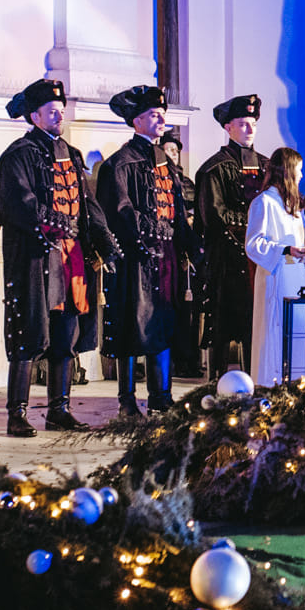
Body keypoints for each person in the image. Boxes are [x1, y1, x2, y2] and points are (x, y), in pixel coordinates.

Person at [0, 79, 119, 436]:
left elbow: (88, 206)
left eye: (60, 110)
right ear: (34, 116)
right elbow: (20, 205)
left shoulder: (73, 154)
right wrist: (59, 222)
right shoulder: (17, 155)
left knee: (66, 333)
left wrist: (104, 243)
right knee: (28, 335)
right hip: (35, 258)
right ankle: (16, 414)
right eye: (51, 111)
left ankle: (58, 410)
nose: (58, 115)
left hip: (73, 258)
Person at [95, 85, 198, 418]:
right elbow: (119, 209)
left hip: (166, 256)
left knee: (164, 322)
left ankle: (161, 395)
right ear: (137, 121)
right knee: (130, 324)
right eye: (154, 114)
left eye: (163, 114)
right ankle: (127, 400)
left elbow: (178, 212)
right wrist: (146, 231)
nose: (161, 119)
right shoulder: (119, 164)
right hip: (135, 257)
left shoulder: (166, 164)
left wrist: (191, 248)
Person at [195, 94, 269, 374]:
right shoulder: (214, 168)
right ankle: (216, 384)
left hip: (258, 259)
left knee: (255, 323)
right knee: (223, 325)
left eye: (252, 123)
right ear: (228, 128)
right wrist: (254, 223)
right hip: (225, 260)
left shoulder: (266, 165)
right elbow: (214, 215)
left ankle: (255, 382)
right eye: (242, 123)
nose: (249, 129)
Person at [244, 148, 305, 386]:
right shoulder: (265, 202)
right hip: (276, 275)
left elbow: (301, 241)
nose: (301, 175)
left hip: (297, 275)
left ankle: (298, 381)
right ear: (288, 171)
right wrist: (286, 249)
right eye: (299, 170)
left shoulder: (295, 207)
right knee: (277, 329)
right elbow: (253, 243)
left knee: (298, 330)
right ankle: (271, 384)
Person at [158, 128, 204, 378]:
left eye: (177, 150)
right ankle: (175, 360)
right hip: (170, 251)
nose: (174, 154)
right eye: (170, 150)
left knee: (191, 311)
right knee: (173, 307)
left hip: (188, 252)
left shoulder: (186, 183)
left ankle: (190, 358)